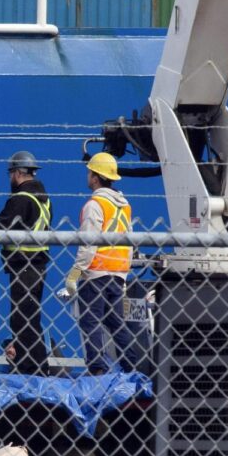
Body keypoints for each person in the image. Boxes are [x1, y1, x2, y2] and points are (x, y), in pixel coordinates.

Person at [0, 151, 52, 376]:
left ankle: (31, 368)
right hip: (37, 265)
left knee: (21, 319)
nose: (10, 179)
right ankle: (36, 366)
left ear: (17, 173)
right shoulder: (43, 199)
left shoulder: (20, 199)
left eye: (11, 174)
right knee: (30, 318)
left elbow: (1, 226)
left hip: (24, 266)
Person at [65, 152, 139, 375]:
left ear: (96, 177)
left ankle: (97, 369)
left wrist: (76, 273)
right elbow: (130, 240)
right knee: (116, 323)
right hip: (118, 274)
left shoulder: (95, 205)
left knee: (90, 321)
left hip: (96, 273)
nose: (87, 176)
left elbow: (89, 242)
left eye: (89, 172)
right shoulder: (123, 206)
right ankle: (132, 367)